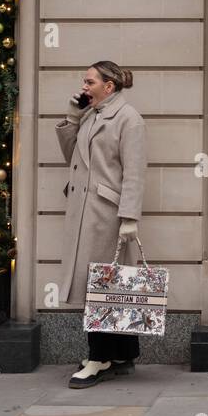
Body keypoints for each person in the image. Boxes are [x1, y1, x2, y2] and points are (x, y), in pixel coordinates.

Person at [55, 60, 147, 388]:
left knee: (102, 287)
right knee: (109, 285)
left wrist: (129, 219)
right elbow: (70, 155)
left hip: (106, 216)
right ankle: (122, 355)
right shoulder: (92, 114)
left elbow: (135, 173)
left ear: (109, 86)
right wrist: (72, 114)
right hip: (86, 210)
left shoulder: (128, 119)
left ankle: (98, 359)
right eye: (84, 81)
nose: (84, 86)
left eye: (89, 81)